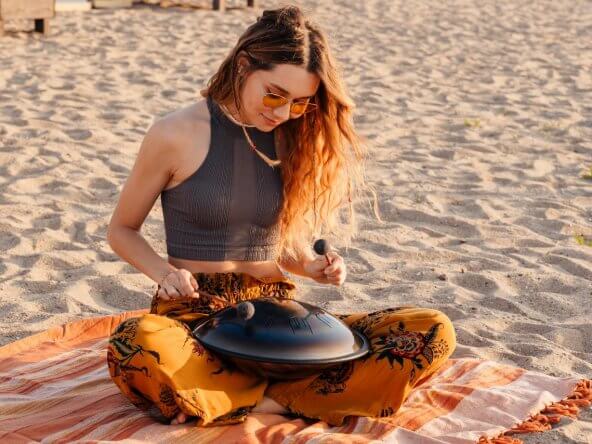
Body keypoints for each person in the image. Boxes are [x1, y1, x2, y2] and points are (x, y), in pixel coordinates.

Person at [106, 5, 456, 428]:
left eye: (299, 103)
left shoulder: (292, 136)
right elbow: (122, 230)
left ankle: (243, 399)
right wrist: (163, 273)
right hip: (195, 314)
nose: (281, 112)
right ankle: (299, 399)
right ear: (242, 65)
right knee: (137, 344)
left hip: (278, 315)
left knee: (432, 329)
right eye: (274, 94)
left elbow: (277, 245)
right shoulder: (175, 132)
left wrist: (311, 265)